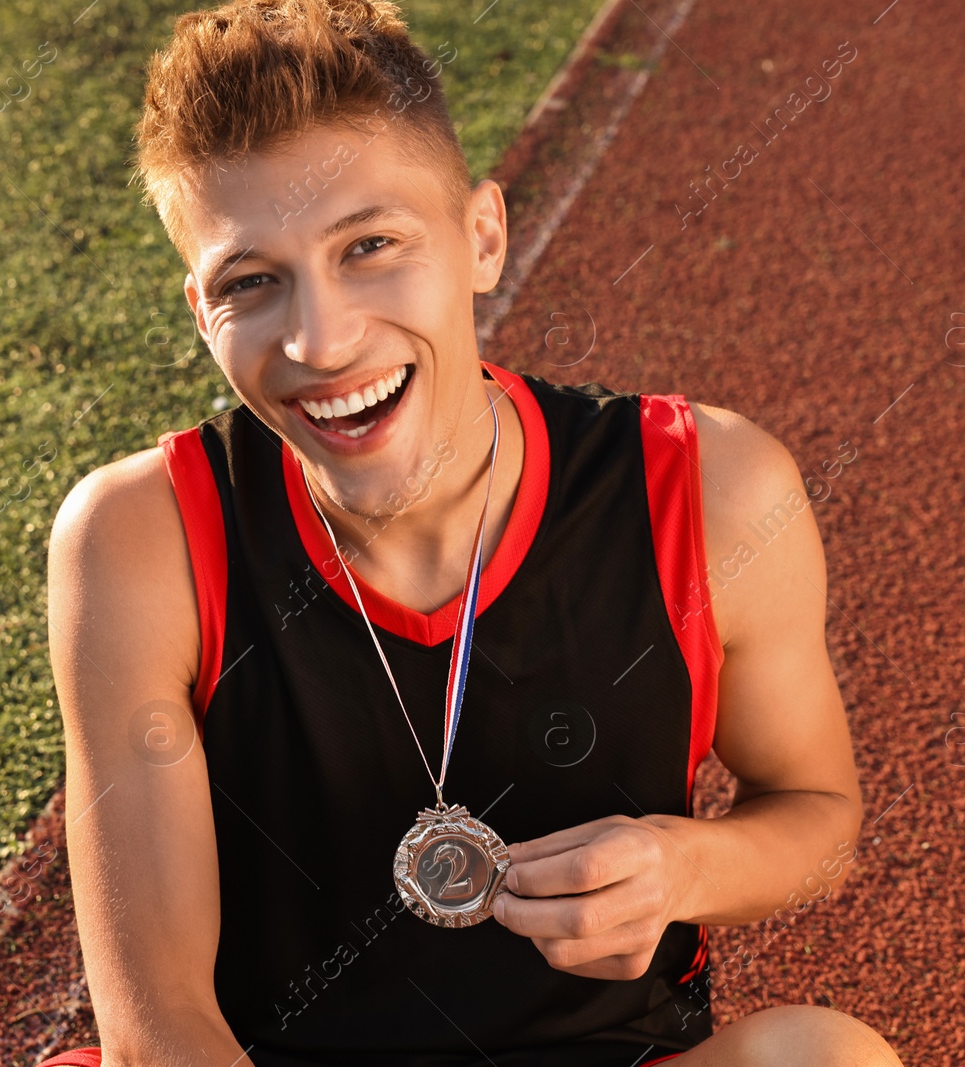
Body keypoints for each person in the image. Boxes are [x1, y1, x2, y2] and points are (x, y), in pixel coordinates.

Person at [44, 0, 906, 1063]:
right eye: (252, 281)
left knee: (825, 1057)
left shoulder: (707, 487)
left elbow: (818, 819)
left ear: (481, 236)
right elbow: (161, 1022)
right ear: (200, 311)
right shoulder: (143, 538)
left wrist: (681, 866)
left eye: (369, 245)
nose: (320, 337)